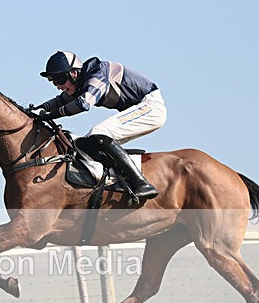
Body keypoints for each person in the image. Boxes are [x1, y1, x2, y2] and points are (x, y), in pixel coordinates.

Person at [33, 51, 166, 200]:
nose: (58, 86)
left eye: (60, 80)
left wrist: (49, 115)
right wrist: (35, 110)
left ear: (74, 73)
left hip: (150, 107)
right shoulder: (82, 82)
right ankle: (121, 182)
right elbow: (60, 101)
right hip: (141, 108)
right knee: (89, 142)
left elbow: (83, 104)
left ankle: (141, 183)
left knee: (99, 133)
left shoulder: (98, 72)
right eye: (54, 82)